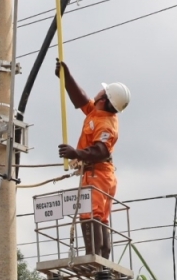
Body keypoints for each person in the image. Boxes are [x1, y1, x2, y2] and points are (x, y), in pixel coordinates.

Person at [55, 60, 130, 260]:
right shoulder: (97, 113)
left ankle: (94, 256)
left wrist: (76, 153)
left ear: (105, 99)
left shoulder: (106, 123)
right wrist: (66, 78)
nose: (97, 92)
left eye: (102, 92)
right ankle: (102, 256)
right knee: (100, 216)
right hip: (101, 174)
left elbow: (102, 150)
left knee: (91, 214)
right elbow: (81, 99)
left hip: (99, 173)